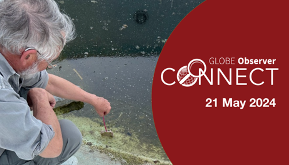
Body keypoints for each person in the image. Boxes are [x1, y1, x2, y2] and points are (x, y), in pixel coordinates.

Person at [0, 0, 111, 164]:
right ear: (28, 56)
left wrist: (93, 99)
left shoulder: (8, 48)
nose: (49, 67)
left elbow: (49, 82)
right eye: (49, 62)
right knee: (68, 137)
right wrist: (39, 98)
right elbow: (52, 148)